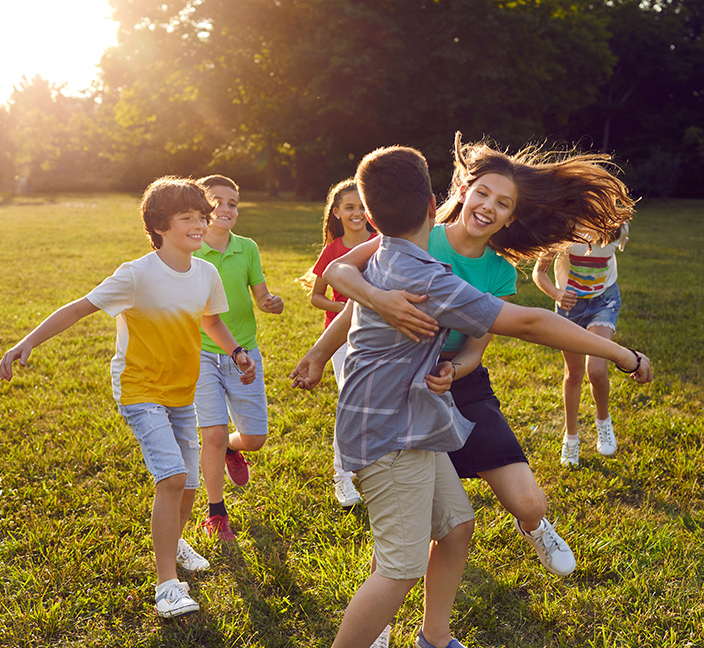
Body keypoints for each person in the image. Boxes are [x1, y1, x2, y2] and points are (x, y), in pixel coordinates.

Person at [290, 145, 651, 648]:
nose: (489, 207)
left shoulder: (400, 254)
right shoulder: (426, 273)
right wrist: (621, 355)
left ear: (371, 218)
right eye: (483, 193)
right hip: (392, 430)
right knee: (399, 567)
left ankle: (434, 639)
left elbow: (347, 274)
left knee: (457, 525)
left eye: (504, 203)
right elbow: (529, 322)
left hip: (419, 414)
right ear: (449, 195)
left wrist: (451, 364)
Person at [0, 176, 256, 619]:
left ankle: (174, 543)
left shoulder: (206, 273)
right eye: (187, 218)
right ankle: (167, 585)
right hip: (139, 390)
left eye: (202, 217)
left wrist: (236, 352)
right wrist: (28, 341)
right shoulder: (136, 274)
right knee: (172, 477)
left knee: (190, 486)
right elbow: (79, 307)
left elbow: (210, 321)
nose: (199, 225)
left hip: (180, 390)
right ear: (159, 225)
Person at [192, 175, 283, 542]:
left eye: (233, 203)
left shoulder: (246, 248)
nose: (226, 209)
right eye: (217, 201)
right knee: (211, 434)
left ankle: (234, 447)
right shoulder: (192, 250)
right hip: (201, 354)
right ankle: (216, 513)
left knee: (256, 437)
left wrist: (269, 303)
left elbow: (259, 295)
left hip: (245, 353)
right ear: (201, 208)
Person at [299, 178, 377, 508]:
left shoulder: (380, 243)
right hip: (340, 339)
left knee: (375, 400)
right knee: (350, 400)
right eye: (350, 207)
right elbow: (317, 297)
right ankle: (342, 476)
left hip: (378, 336)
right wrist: (348, 307)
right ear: (336, 212)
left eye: (362, 206)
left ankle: (372, 468)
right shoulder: (333, 250)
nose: (357, 212)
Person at [533, 222, 630, 464]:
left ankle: (603, 420)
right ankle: (571, 438)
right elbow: (539, 272)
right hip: (569, 307)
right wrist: (556, 294)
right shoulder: (561, 229)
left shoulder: (618, 229)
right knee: (574, 373)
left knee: (596, 369)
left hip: (603, 302)